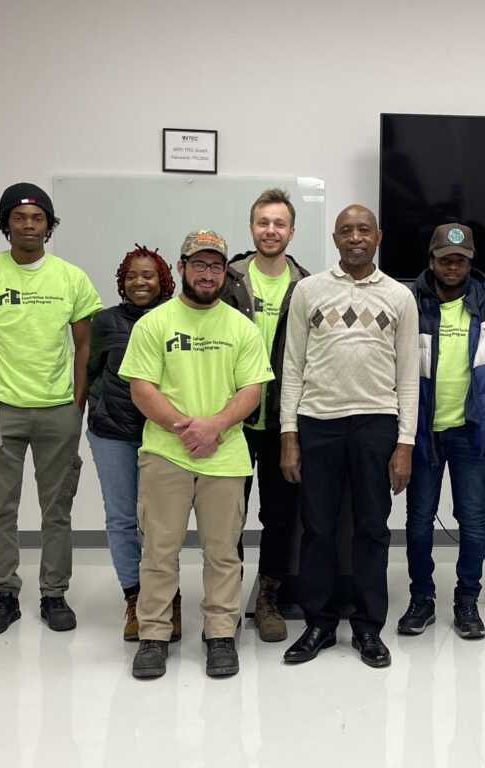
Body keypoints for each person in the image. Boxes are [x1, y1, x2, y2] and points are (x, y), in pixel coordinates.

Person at [120, 229, 273, 679]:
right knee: (158, 550)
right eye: (199, 265)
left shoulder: (241, 328)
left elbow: (252, 390)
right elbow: (141, 387)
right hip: (166, 455)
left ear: (225, 274)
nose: (208, 274)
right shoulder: (155, 324)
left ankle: (220, 633)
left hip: (225, 457)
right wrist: (183, 427)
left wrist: (213, 426)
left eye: (216, 266)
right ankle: (153, 634)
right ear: (182, 268)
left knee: (223, 552)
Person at [0, 182, 102, 636]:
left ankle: (54, 593)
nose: (29, 225)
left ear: (49, 226)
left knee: (57, 508)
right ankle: (4, 594)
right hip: (2, 412)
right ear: (6, 225)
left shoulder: (71, 278)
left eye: (38, 219)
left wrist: (77, 405)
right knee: (1, 507)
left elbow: (84, 346)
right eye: (19, 218)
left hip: (58, 411)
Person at [280, 204, 418, 668]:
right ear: (335, 239)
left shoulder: (400, 297)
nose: (355, 237)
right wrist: (289, 435)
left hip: (376, 423)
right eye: (346, 231)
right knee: (317, 528)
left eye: (364, 230)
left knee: (372, 528)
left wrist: (405, 444)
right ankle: (318, 622)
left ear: (378, 237)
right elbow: (292, 367)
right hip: (318, 421)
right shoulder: (308, 291)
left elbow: (409, 377)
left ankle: (367, 626)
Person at [398, 224, 485, 639]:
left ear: (471, 263)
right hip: (421, 435)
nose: (453, 266)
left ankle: (467, 600)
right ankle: (422, 600)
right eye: (445, 259)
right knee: (418, 522)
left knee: (471, 521)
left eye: (461, 260)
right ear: (431, 260)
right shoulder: (408, 305)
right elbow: (391, 369)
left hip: (471, 434)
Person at [221, 188, 310, 643]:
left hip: (283, 423)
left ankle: (269, 597)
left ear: (292, 231)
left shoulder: (309, 286)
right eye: (263, 222)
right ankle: (227, 601)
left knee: (279, 517)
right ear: (252, 227)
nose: (271, 231)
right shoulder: (226, 278)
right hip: (230, 420)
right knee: (227, 516)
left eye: (279, 224)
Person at [86, 244, 182, 641]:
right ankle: (135, 598)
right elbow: (91, 370)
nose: (139, 282)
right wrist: (97, 407)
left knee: (162, 525)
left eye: (148, 275)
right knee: (122, 520)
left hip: (162, 436)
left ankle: (167, 600)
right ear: (122, 282)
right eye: (131, 276)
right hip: (112, 434)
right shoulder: (104, 321)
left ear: (164, 280)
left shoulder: (180, 320)